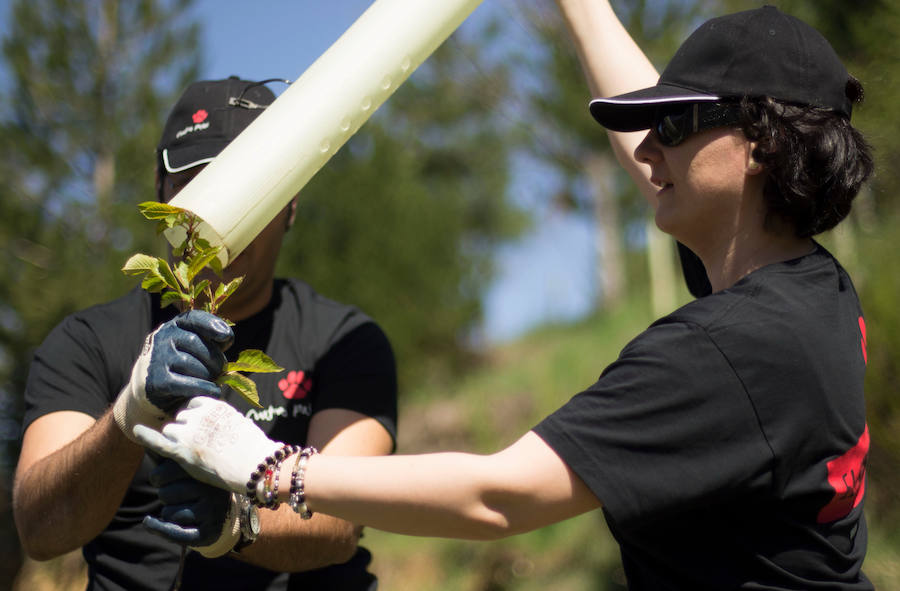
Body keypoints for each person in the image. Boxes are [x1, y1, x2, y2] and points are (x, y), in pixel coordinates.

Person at [134, 4, 875, 589]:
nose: (649, 148)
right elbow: (659, 156)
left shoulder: (730, 350)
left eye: (676, 124)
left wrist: (271, 468)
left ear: (760, 144)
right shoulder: (808, 289)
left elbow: (498, 496)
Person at [12, 77, 398, 591]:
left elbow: (340, 522)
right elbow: (39, 529)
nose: (217, 216)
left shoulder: (342, 342)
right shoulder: (87, 342)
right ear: (161, 192)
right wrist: (130, 414)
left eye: (250, 190)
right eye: (194, 185)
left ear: (290, 204)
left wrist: (238, 525)